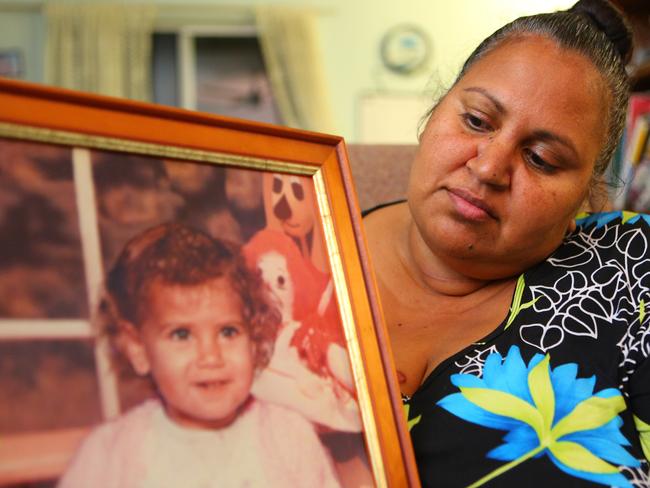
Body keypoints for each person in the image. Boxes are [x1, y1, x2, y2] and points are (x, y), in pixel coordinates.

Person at [363, 0, 650, 486]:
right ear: (434, 111)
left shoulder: (630, 270)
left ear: (586, 195)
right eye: (476, 120)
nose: (489, 168)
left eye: (540, 158)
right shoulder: (297, 238)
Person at [58, 223, 341, 488]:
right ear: (138, 348)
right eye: (182, 335)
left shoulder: (289, 438)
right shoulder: (111, 454)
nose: (211, 356)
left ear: (254, 338)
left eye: (228, 332)